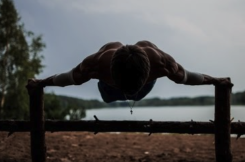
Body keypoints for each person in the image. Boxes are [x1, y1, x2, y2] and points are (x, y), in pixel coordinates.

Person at [28, 40, 232, 104]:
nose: (128, 94)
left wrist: (215, 80)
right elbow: (66, 79)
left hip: (143, 87)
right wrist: (42, 83)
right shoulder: (96, 64)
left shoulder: (161, 62)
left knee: (145, 43)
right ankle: (117, 86)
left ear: (150, 70)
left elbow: (187, 77)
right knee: (113, 44)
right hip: (109, 89)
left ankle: (136, 85)